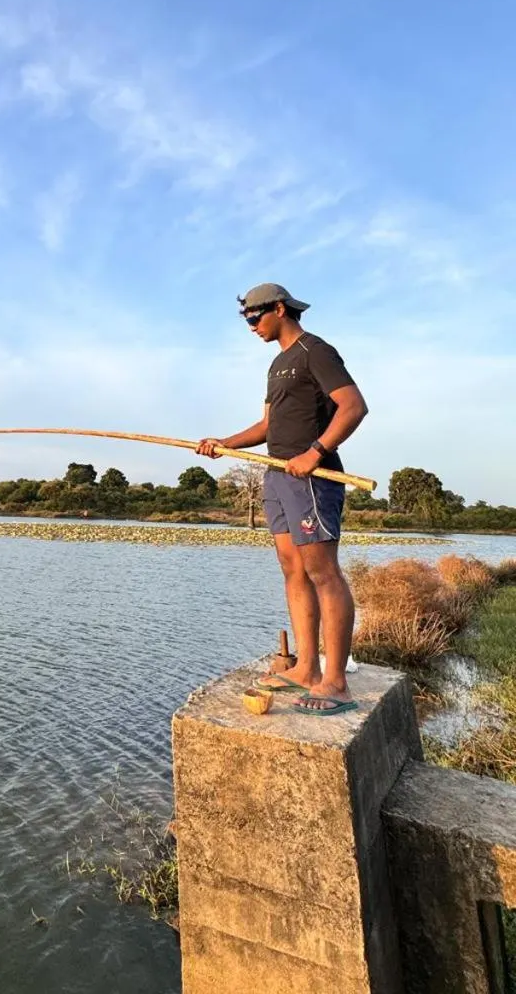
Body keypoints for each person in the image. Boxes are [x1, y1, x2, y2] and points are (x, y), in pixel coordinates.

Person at [196, 284, 368, 716]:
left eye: (255, 318)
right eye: (247, 321)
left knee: (322, 571)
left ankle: (336, 681)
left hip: (311, 477)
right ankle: (306, 668)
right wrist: (223, 443)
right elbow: (268, 426)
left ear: (278, 309)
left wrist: (316, 452)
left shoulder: (316, 351)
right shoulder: (277, 365)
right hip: (277, 475)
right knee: (293, 568)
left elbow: (353, 406)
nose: (251, 327)